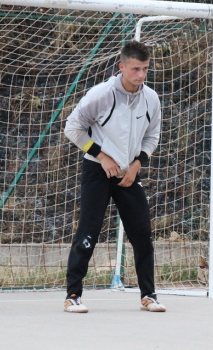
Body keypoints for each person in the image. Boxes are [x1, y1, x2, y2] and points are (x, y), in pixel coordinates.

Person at [62, 40, 166, 313]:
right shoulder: (101, 95)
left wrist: (137, 163)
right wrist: (101, 156)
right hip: (98, 170)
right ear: (121, 67)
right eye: (135, 69)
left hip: (129, 173)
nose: (141, 75)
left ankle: (149, 295)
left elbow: (152, 136)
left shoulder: (151, 98)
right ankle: (73, 295)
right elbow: (72, 128)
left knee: (142, 234)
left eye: (145, 69)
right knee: (88, 232)